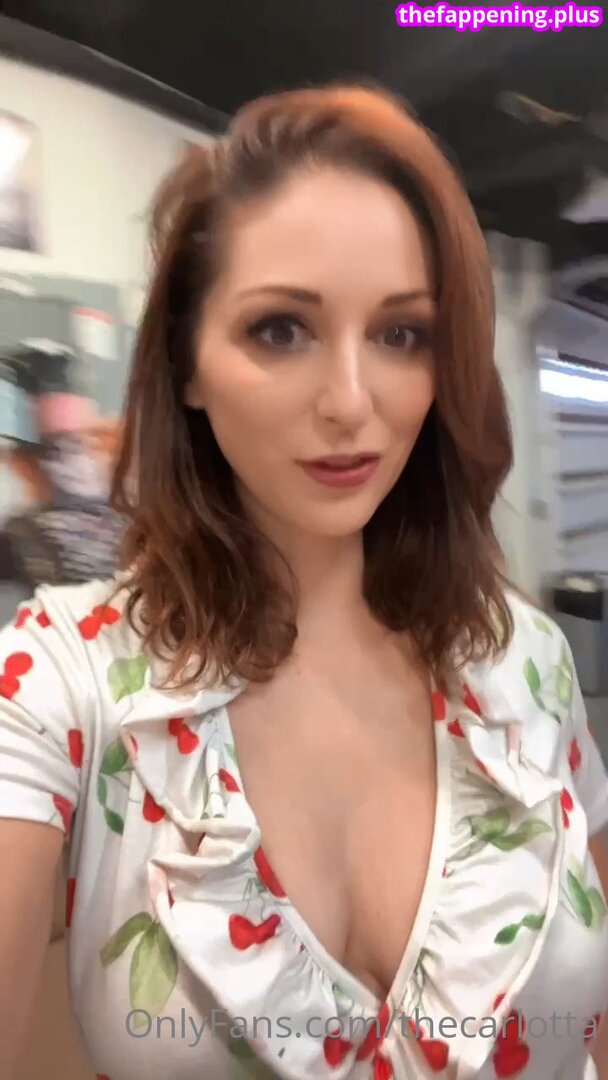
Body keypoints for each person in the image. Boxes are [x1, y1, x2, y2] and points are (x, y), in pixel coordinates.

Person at [0, 83, 606, 1080]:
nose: (350, 402)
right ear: (187, 362)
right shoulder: (63, 681)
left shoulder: (523, 659)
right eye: (281, 329)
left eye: (401, 334)